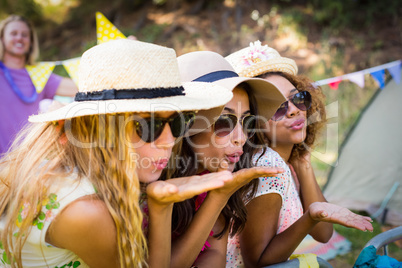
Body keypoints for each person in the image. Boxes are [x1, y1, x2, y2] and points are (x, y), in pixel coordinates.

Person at [0, 39, 235, 267]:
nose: (170, 141)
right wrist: (162, 208)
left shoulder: (71, 165)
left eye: (178, 122)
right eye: (148, 125)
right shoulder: (87, 212)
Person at [224, 41, 374, 267]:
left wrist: (303, 163)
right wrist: (310, 217)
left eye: (297, 98)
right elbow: (257, 262)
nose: (294, 109)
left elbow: (324, 233)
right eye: (278, 107)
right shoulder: (266, 166)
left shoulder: (287, 161)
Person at [166, 51, 286, 267]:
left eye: (247, 121)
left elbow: (213, 256)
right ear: (188, 125)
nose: (241, 138)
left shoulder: (211, 176)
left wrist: (220, 195)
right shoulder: (150, 182)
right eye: (224, 122)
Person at [0, 15, 78, 155]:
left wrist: (117, 54)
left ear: (31, 42)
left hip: (29, 162)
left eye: (25, 35)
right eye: (13, 33)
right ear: (2, 38)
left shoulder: (40, 75)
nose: (19, 38)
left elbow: (79, 87)